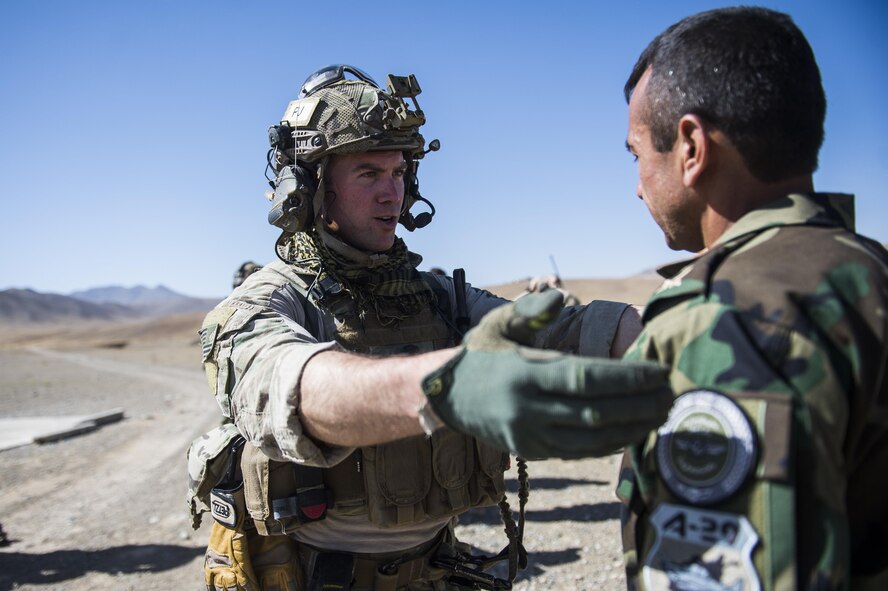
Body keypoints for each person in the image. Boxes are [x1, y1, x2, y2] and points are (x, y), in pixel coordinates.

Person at [187, 65, 673, 590]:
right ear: (309, 187)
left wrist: (677, 334)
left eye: (399, 174)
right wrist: (448, 388)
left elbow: (566, 332)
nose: (391, 194)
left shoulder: (439, 297)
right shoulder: (268, 302)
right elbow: (294, 388)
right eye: (369, 174)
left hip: (433, 570)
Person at [612, 7, 888, 590]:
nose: (637, 185)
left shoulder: (723, 319)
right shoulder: (870, 272)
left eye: (637, 154)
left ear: (690, 146)